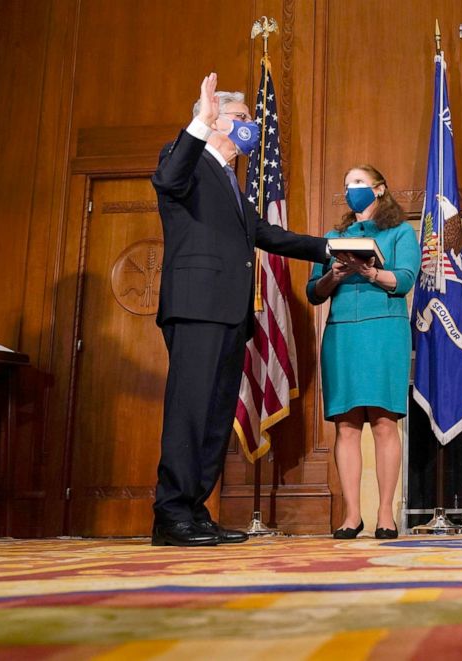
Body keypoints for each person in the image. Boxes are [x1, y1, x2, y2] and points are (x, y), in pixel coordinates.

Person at [150, 73, 329, 546]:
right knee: (190, 410)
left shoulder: (230, 181)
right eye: (243, 117)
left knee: (214, 415)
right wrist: (200, 124)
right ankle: (170, 515)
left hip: (230, 313)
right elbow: (167, 181)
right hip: (196, 307)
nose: (251, 126)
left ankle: (194, 510)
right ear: (214, 119)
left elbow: (271, 236)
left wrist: (335, 249)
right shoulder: (182, 158)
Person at [307, 165, 420, 540]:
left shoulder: (400, 232)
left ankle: (385, 513)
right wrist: (335, 276)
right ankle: (351, 515)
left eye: (358, 182)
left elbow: (404, 279)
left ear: (379, 189)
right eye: (347, 184)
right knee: (346, 424)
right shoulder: (333, 236)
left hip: (384, 331)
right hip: (342, 334)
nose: (351, 189)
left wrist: (370, 272)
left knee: (386, 422)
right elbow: (313, 291)